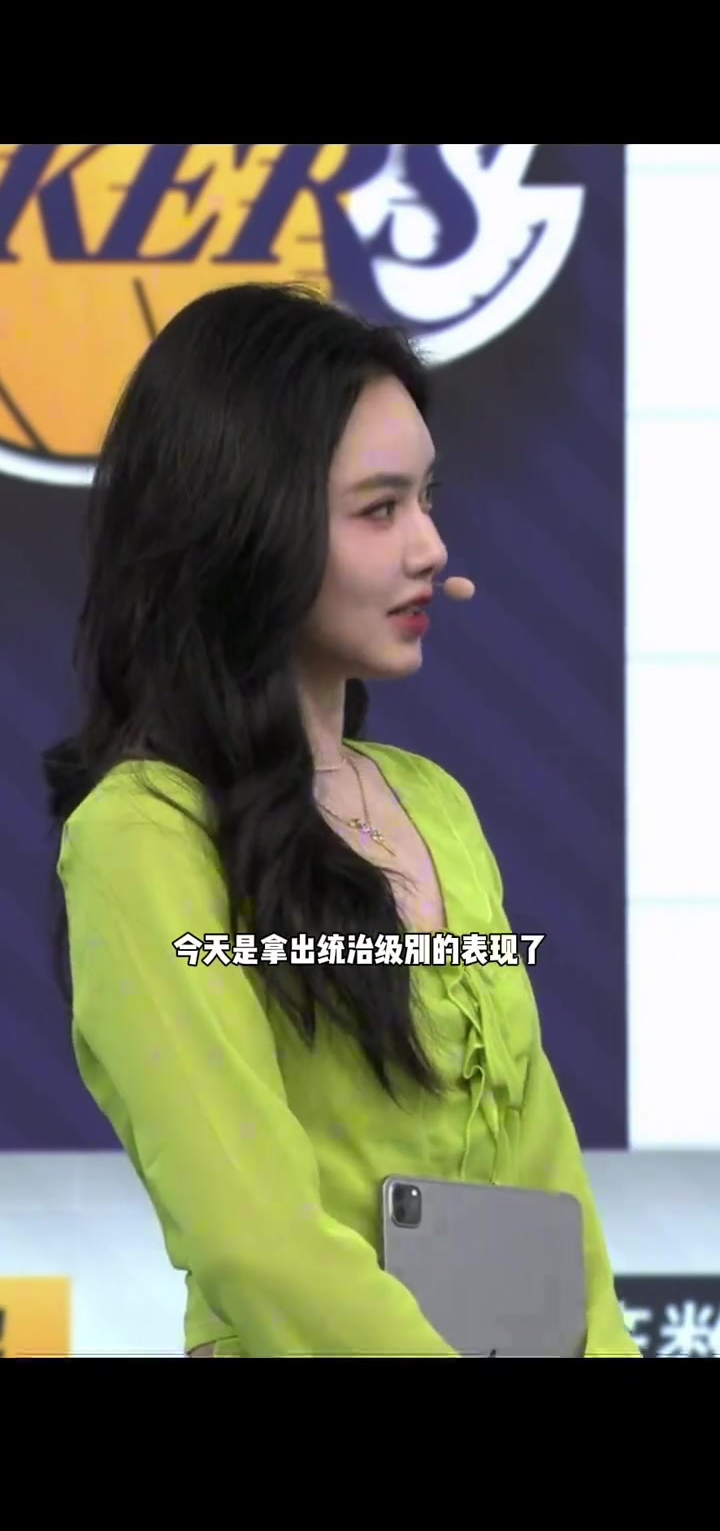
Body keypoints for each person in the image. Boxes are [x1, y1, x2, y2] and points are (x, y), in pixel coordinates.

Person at [42, 281, 640, 1359]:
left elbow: (547, 1185)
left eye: (427, 500)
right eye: (379, 509)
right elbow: (257, 1241)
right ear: (246, 526)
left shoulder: (435, 805)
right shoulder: (142, 837)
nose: (431, 547)